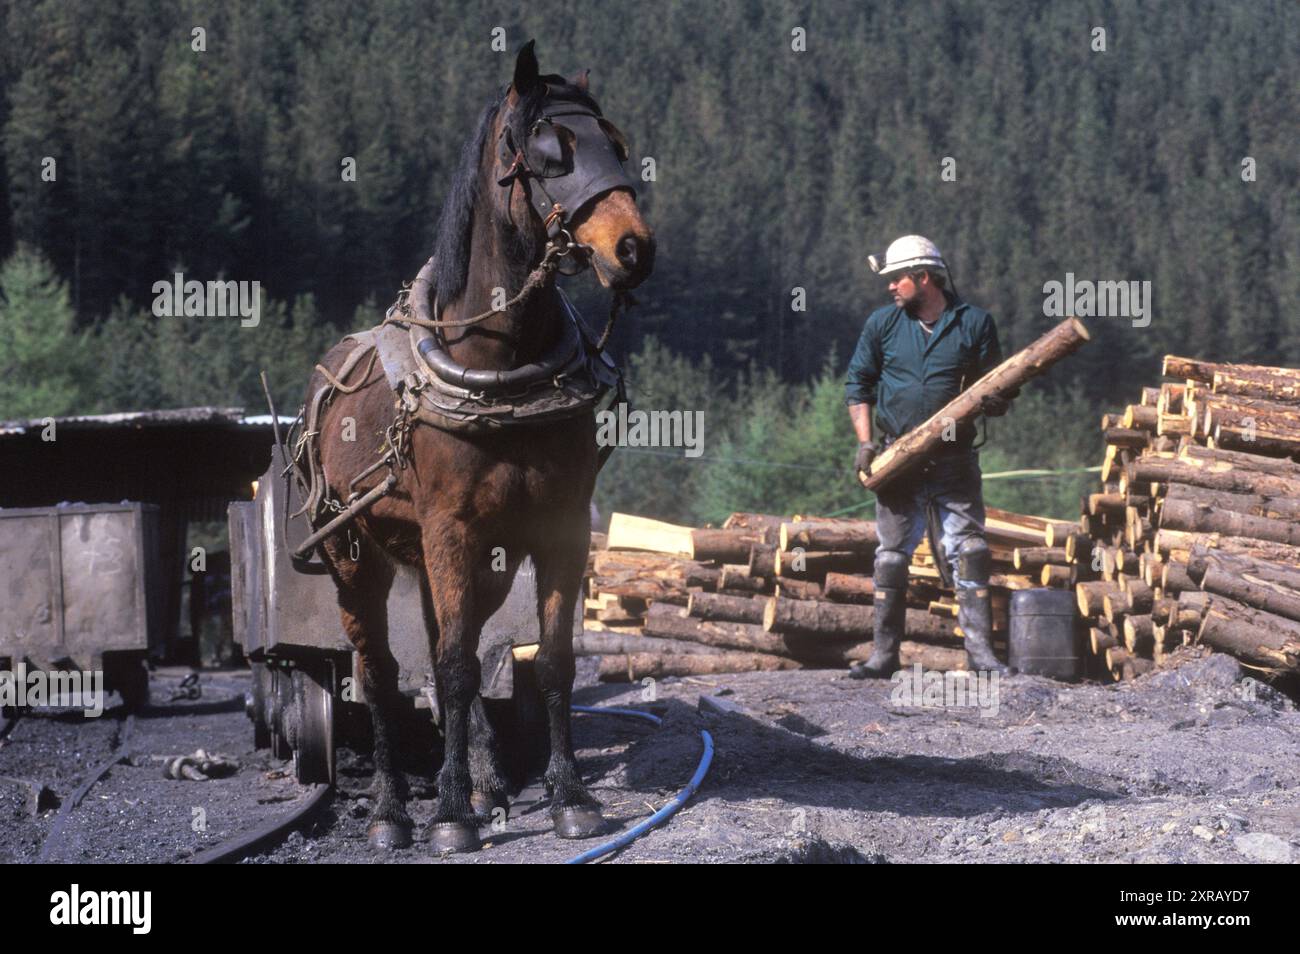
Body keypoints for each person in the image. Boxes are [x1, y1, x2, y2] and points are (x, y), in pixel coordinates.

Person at [843, 235, 1014, 678]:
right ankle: (884, 657)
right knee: (891, 557)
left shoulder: (974, 323)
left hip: (954, 461)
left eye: (897, 278)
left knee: (971, 551)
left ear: (923, 277)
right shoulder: (882, 324)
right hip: (896, 461)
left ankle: (981, 657)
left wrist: (998, 400)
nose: (890, 287)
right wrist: (865, 444)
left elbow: (996, 385)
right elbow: (857, 386)